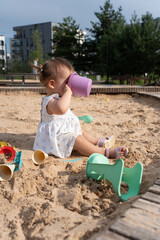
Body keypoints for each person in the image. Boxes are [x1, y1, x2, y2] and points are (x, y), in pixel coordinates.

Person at [33, 57, 128, 159]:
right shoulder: (50, 102)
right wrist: (68, 92)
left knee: (81, 132)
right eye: (67, 82)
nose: (70, 85)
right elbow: (61, 109)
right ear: (52, 84)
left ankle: (98, 142)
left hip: (63, 133)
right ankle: (105, 152)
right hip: (56, 140)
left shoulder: (60, 97)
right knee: (77, 139)